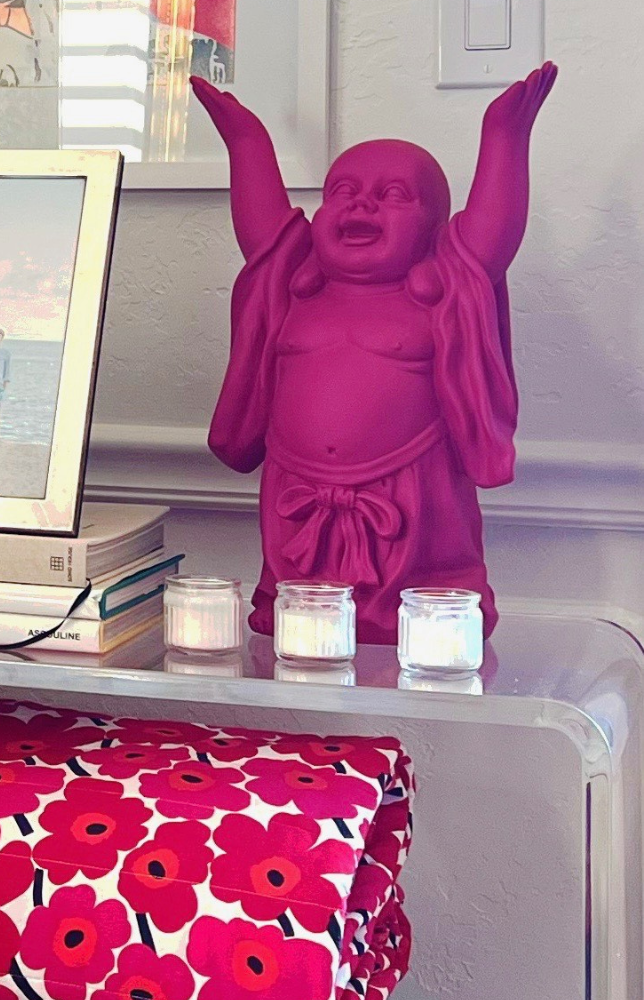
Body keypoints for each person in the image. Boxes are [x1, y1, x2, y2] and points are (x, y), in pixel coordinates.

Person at [192, 64, 554, 644]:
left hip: (413, 487)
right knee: (300, 617)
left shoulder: (441, 288)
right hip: (296, 492)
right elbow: (261, 229)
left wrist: (503, 137)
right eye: (343, 193)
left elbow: (492, 234)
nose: (361, 207)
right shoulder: (295, 284)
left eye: (391, 196)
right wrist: (247, 141)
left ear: (434, 225)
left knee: (424, 610)